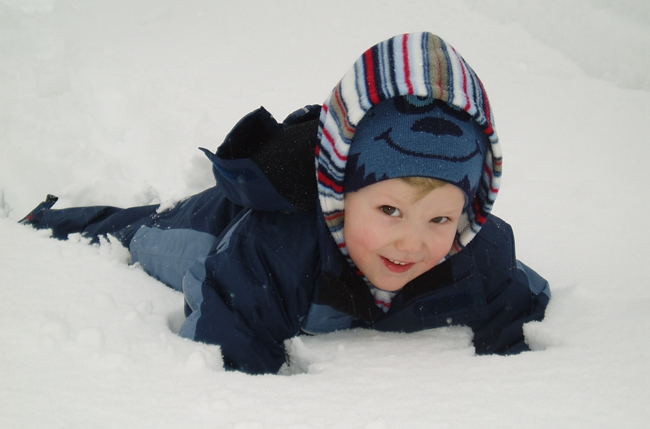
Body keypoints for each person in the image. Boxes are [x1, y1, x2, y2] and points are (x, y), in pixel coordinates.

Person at [20, 32, 550, 374]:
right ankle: (47, 221)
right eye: (390, 210)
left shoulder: (480, 255)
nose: (413, 242)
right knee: (137, 233)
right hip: (222, 227)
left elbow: (518, 305)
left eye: (440, 218)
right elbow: (228, 340)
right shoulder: (275, 248)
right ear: (340, 195)